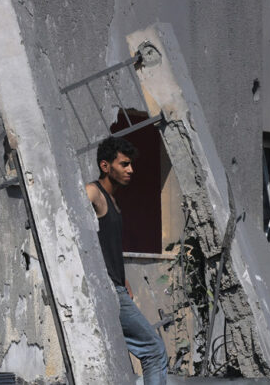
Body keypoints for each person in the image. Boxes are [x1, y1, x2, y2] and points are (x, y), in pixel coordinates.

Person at [86, 136, 168, 385]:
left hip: (117, 286)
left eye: (130, 164)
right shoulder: (93, 192)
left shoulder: (113, 200)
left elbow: (108, 244)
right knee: (154, 350)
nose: (130, 170)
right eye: (124, 164)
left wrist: (124, 280)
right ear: (105, 166)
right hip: (108, 289)